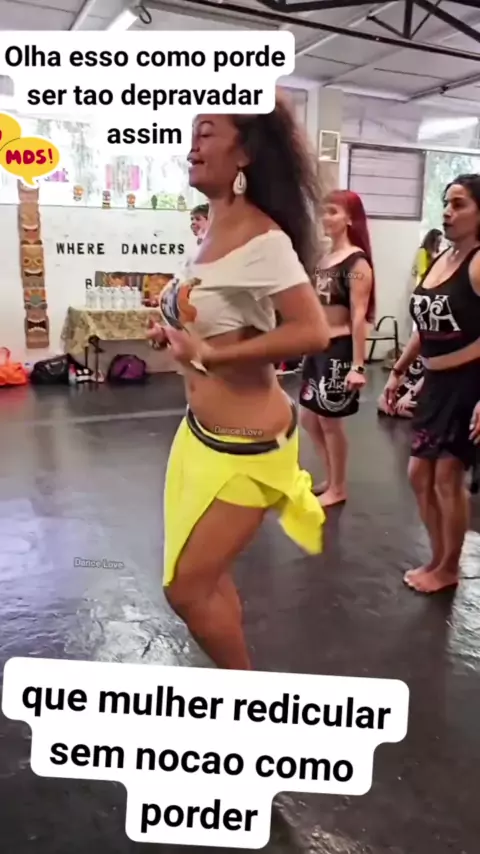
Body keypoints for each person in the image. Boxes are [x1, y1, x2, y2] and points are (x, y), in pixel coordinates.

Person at [147, 96, 331, 670]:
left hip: (248, 452)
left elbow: (313, 331)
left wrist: (211, 354)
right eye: (191, 134)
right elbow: (215, 323)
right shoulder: (211, 232)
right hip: (198, 437)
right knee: (204, 579)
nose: (191, 147)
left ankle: (245, 698)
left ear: (246, 152)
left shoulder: (263, 240)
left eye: (206, 133)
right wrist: (177, 337)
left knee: (186, 590)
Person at [382, 174, 480, 594]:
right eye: (446, 203)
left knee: (446, 479)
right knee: (419, 475)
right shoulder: (442, 257)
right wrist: (399, 370)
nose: (447, 211)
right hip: (435, 382)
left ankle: (448, 568)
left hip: (468, 385)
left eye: (459, 204)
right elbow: (425, 326)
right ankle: (438, 558)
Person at [299, 189, 375, 507]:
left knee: (330, 422)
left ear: (350, 219)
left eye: (333, 212)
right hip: (318, 346)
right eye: (324, 211)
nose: (325, 218)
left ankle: (339, 487)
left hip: (339, 350)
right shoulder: (325, 259)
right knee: (308, 419)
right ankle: (331, 478)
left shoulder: (357, 263)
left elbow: (359, 316)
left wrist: (358, 365)